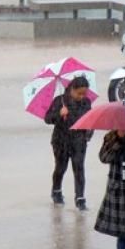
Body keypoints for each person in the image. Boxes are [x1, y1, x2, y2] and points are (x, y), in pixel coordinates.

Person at [44, 76, 93, 211]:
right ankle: (56, 191)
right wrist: (59, 114)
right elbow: (47, 119)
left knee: (79, 169)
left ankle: (80, 199)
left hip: (79, 141)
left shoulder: (86, 103)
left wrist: (89, 134)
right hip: (61, 141)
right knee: (61, 167)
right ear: (72, 89)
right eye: (79, 93)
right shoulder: (59, 101)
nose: (82, 96)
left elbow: (91, 120)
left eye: (84, 93)